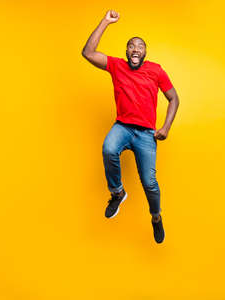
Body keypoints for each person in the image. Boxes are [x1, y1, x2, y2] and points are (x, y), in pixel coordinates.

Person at [81, 10, 179, 243]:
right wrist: (105, 21)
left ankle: (156, 217)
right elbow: (88, 53)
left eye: (140, 46)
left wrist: (165, 127)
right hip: (123, 126)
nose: (136, 49)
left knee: (149, 183)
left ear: (145, 52)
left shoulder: (156, 70)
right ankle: (117, 192)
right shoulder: (116, 66)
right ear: (127, 52)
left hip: (146, 133)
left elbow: (174, 98)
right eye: (131, 46)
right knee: (108, 148)